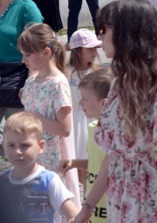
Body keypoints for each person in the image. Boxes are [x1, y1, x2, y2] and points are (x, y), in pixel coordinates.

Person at [73, 0, 157, 223]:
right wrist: (87, 208)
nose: (100, 37)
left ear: (126, 35)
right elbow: (113, 156)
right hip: (120, 199)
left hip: (154, 198)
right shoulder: (117, 85)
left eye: (105, 30)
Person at [18, 23, 81, 209]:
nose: (23, 60)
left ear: (46, 52)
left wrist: (32, 118)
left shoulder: (58, 84)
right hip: (31, 156)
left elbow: (65, 128)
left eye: (27, 54)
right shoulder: (30, 82)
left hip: (51, 159)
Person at [0, 112, 78, 222]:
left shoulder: (49, 181)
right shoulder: (2, 182)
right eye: (11, 145)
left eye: (24, 145)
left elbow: (73, 214)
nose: (17, 151)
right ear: (4, 146)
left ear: (40, 146)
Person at [60, 68, 112, 222]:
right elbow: (97, 165)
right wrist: (74, 163)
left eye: (84, 98)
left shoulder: (118, 135)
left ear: (104, 103)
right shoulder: (92, 128)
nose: (80, 102)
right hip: (93, 208)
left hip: (109, 207)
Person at [0, 0, 43, 136]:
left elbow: (38, 47)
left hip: (18, 77)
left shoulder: (26, 8)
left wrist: (31, 81)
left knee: (19, 135)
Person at [67, 28, 102, 185]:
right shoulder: (66, 72)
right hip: (74, 120)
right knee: (78, 165)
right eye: (90, 48)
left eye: (95, 48)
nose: (94, 52)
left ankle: (92, 201)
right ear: (77, 51)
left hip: (92, 119)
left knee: (92, 163)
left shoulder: (96, 72)